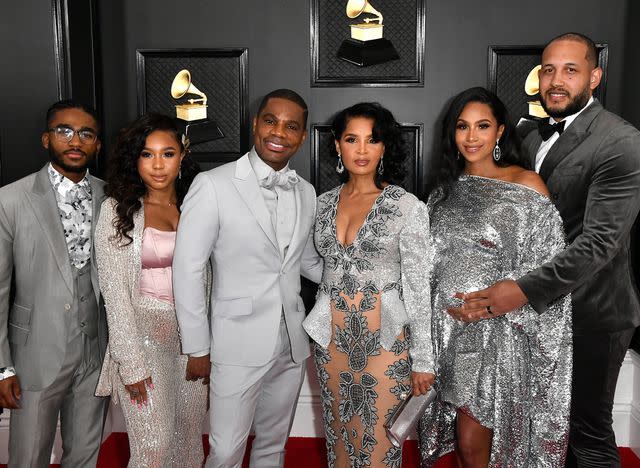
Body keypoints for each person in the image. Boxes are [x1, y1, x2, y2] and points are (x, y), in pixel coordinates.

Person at [449, 34, 640, 467]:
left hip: (592, 312)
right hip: (533, 319)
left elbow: (599, 244)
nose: (556, 80)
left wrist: (519, 290)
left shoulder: (621, 141)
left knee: (585, 434)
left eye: (571, 70)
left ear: (595, 76)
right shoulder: (528, 137)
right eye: (549, 70)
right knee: (542, 430)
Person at [418, 87, 572, 467]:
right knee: (461, 438)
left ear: (500, 131)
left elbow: (548, 266)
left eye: (482, 126)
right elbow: (425, 266)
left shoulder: (526, 184)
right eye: (462, 127)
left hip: (498, 335)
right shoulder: (441, 194)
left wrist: (499, 303)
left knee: (475, 440)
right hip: (446, 334)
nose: (471, 137)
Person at [173, 88, 323, 468]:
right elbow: (188, 269)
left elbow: (306, 261)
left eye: (292, 126)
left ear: (302, 136)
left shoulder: (306, 191)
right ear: (255, 124)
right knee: (225, 450)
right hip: (235, 340)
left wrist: (365, 281)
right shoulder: (213, 185)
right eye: (271, 121)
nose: (279, 132)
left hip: (291, 341)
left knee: (273, 447)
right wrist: (197, 346)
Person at [302, 102, 435, 467]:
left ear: (385, 147)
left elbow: (419, 286)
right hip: (332, 338)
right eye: (352, 139)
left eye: (372, 140)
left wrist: (423, 359)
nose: (361, 150)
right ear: (337, 146)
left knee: (379, 442)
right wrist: (336, 287)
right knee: (339, 437)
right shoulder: (322, 203)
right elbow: (315, 263)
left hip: (386, 339)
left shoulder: (407, 206)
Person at [93, 113, 206, 467]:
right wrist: (131, 364)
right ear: (135, 159)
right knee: (153, 447)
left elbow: (211, 282)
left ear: (182, 157)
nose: (157, 165)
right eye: (147, 154)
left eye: (167, 154)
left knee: (189, 441)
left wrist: (205, 346)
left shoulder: (198, 207)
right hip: (142, 341)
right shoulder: (117, 211)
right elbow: (114, 295)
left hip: (192, 343)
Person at [0, 100, 108, 466]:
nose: (75, 140)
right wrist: (3, 366)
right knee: (28, 456)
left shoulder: (111, 197)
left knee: (85, 454)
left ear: (96, 144)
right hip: (35, 353)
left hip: (95, 349)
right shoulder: (11, 200)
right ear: (47, 139)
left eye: (86, 133)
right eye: (64, 130)